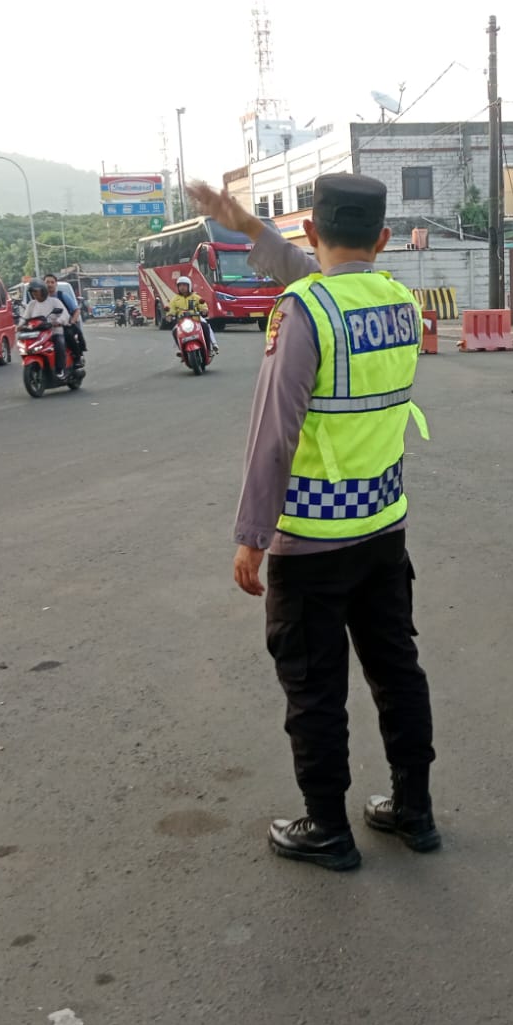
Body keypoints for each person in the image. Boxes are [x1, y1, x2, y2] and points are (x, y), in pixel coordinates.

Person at [189, 173, 437, 872]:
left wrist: (251, 536)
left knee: (315, 688)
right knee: (397, 671)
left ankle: (327, 826)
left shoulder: (303, 312)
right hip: (384, 529)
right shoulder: (398, 301)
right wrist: (247, 226)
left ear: (311, 229)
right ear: (383, 238)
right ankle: (414, 809)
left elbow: (275, 435)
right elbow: (327, 280)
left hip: (312, 541)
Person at [21, 277, 70, 378]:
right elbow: (25, 318)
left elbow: (65, 315)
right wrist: (19, 326)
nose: (34, 294)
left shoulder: (54, 301)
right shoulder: (31, 304)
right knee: (25, 346)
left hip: (54, 332)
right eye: (32, 292)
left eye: (36, 291)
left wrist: (58, 322)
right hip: (36, 334)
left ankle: (60, 369)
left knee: (59, 344)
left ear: (43, 291)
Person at [166, 276, 218, 356]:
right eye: (180, 285)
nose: (182, 287)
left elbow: (202, 304)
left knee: (205, 325)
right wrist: (169, 315)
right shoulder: (175, 299)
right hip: (182, 321)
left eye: (184, 285)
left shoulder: (196, 297)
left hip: (196, 318)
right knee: (174, 331)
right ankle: (180, 349)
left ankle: (210, 347)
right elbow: (171, 309)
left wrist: (204, 310)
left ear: (189, 286)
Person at [44, 274, 86, 367]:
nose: (49, 284)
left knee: (68, 335)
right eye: (47, 282)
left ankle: (77, 357)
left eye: (52, 282)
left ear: (56, 284)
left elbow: (76, 310)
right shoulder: (41, 299)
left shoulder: (62, 296)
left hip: (64, 325)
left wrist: (72, 322)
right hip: (47, 327)